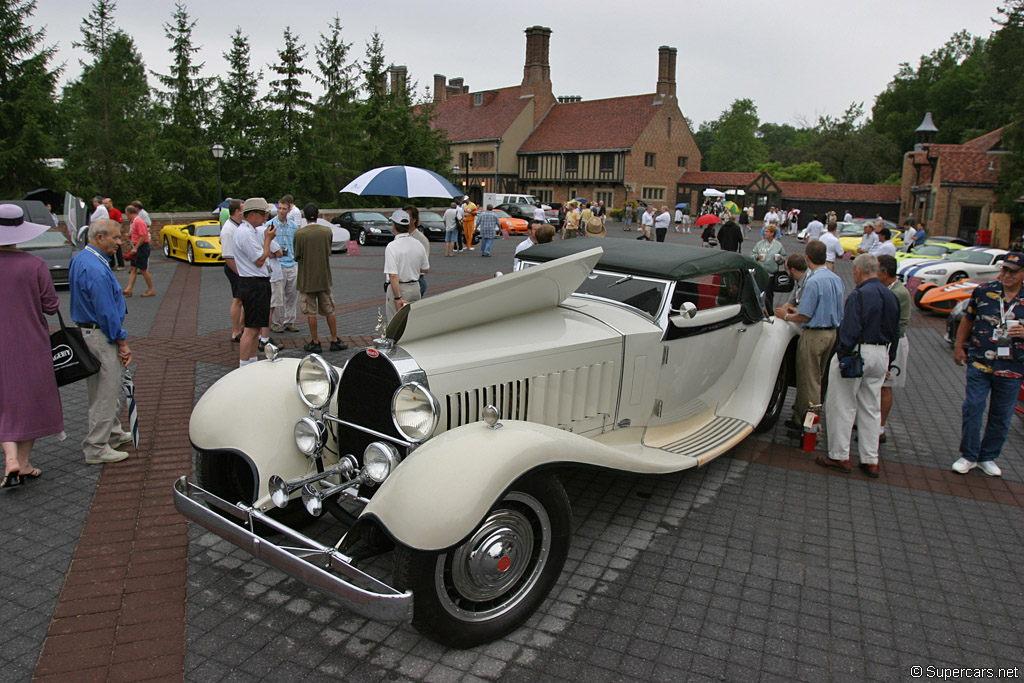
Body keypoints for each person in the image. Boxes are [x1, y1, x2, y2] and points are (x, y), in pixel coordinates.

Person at [819, 254, 900, 478]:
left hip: (858, 352)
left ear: (857, 271)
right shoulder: (891, 296)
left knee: (843, 405)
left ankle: (840, 455)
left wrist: (843, 354)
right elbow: (896, 333)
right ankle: (870, 459)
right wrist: (889, 361)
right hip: (881, 353)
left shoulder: (859, 295)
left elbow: (850, 329)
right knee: (871, 407)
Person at [0, 205, 64, 486]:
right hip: (29, 341)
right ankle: (20, 461)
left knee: (5, 401)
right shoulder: (35, 265)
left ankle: (14, 460)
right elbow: (51, 306)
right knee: (30, 400)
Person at [951, 251, 1024, 476]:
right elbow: (969, 317)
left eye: (1012, 271)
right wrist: (959, 345)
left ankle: (988, 456)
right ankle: (969, 455)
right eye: (1004, 269)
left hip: (1012, 367)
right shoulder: (985, 291)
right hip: (980, 361)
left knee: (1001, 415)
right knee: (973, 406)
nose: (1006, 274)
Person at [69, 219, 134, 465]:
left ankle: (113, 433)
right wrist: (121, 341)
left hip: (88, 332)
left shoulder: (81, 258)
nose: (119, 243)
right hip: (100, 334)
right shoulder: (95, 268)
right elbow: (106, 311)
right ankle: (96, 447)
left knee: (101, 389)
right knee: (105, 392)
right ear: (100, 238)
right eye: (115, 238)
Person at [776, 241, 844, 433]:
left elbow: (805, 316)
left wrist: (787, 316)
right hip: (831, 333)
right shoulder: (834, 278)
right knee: (817, 379)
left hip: (814, 335)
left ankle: (810, 428)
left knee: (809, 383)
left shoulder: (813, 281)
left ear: (807, 258)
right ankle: (800, 419)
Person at [295, 203, 346, 354]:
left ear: (304, 216)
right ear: (318, 215)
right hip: (324, 278)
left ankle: (315, 341)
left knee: (310, 312)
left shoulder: (300, 234)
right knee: (329, 309)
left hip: (306, 279)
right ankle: (334, 339)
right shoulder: (326, 231)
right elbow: (328, 251)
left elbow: (297, 255)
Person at [232, 198, 277, 366]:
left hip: (255, 282)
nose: (266, 217)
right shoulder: (245, 233)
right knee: (251, 329)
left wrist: (267, 237)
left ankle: (250, 362)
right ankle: (244, 365)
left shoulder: (249, 230)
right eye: (263, 213)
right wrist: (268, 241)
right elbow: (259, 260)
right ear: (252, 214)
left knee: (255, 327)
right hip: (253, 283)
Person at [876, 255, 911, 444]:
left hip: (894, 343)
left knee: (885, 386)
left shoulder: (899, 293)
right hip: (885, 341)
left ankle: (881, 426)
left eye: (877, 269)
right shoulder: (885, 288)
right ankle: (872, 420)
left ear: (885, 272)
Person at [384, 209, 429, 322]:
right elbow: (425, 269)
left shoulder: (392, 246)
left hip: (400, 288)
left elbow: (393, 275)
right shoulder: (418, 244)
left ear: (394, 226)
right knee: (414, 322)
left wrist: (398, 298)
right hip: (415, 287)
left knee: (395, 324)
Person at [268, 199, 299, 333]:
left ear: (288, 210)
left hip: (292, 263)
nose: (281, 211)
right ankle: (275, 323)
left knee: (292, 295)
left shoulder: (293, 226)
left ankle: (289, 321)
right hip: (278, 264)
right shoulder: (270, 225)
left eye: (284, 209)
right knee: (276, 296)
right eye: (279, 208)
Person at [220, 200, 244, 343]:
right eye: (243, 209)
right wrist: (240, 274)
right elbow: (228, 257)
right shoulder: (229, 230)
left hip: (240, 269)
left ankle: (241, 328)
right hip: (234, 269)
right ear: (236, 212)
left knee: (243, 299)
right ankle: (236, 331)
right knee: (238, 299)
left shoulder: (237, 226)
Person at [121, 205, 154, 297]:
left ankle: (150, 289)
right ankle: (129, 289)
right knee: (133, 268)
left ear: (129, 213)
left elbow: (143, 236)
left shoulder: (138, 221)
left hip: (141, 247)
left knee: (143, 269)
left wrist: (135, 248)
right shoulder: (134, 221)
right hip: (137, 246)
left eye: (126, 213)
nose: (126, 215)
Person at [404, 205, 431, 292]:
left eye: (407, 216)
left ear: (414, 219)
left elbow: (424, 265)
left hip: (415, 280)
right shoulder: (401, 236)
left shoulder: (421, 239)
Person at [104, 198, 126, 270]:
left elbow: (119, 223)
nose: (105, 205)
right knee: (110, 249)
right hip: (108, 233)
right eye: (104, 203)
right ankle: (112, 264)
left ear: (110, 203)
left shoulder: (116, 212)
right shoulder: (105, 212)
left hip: (114, 232)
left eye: (106, 203)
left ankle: (121, 264)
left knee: (117, 249)